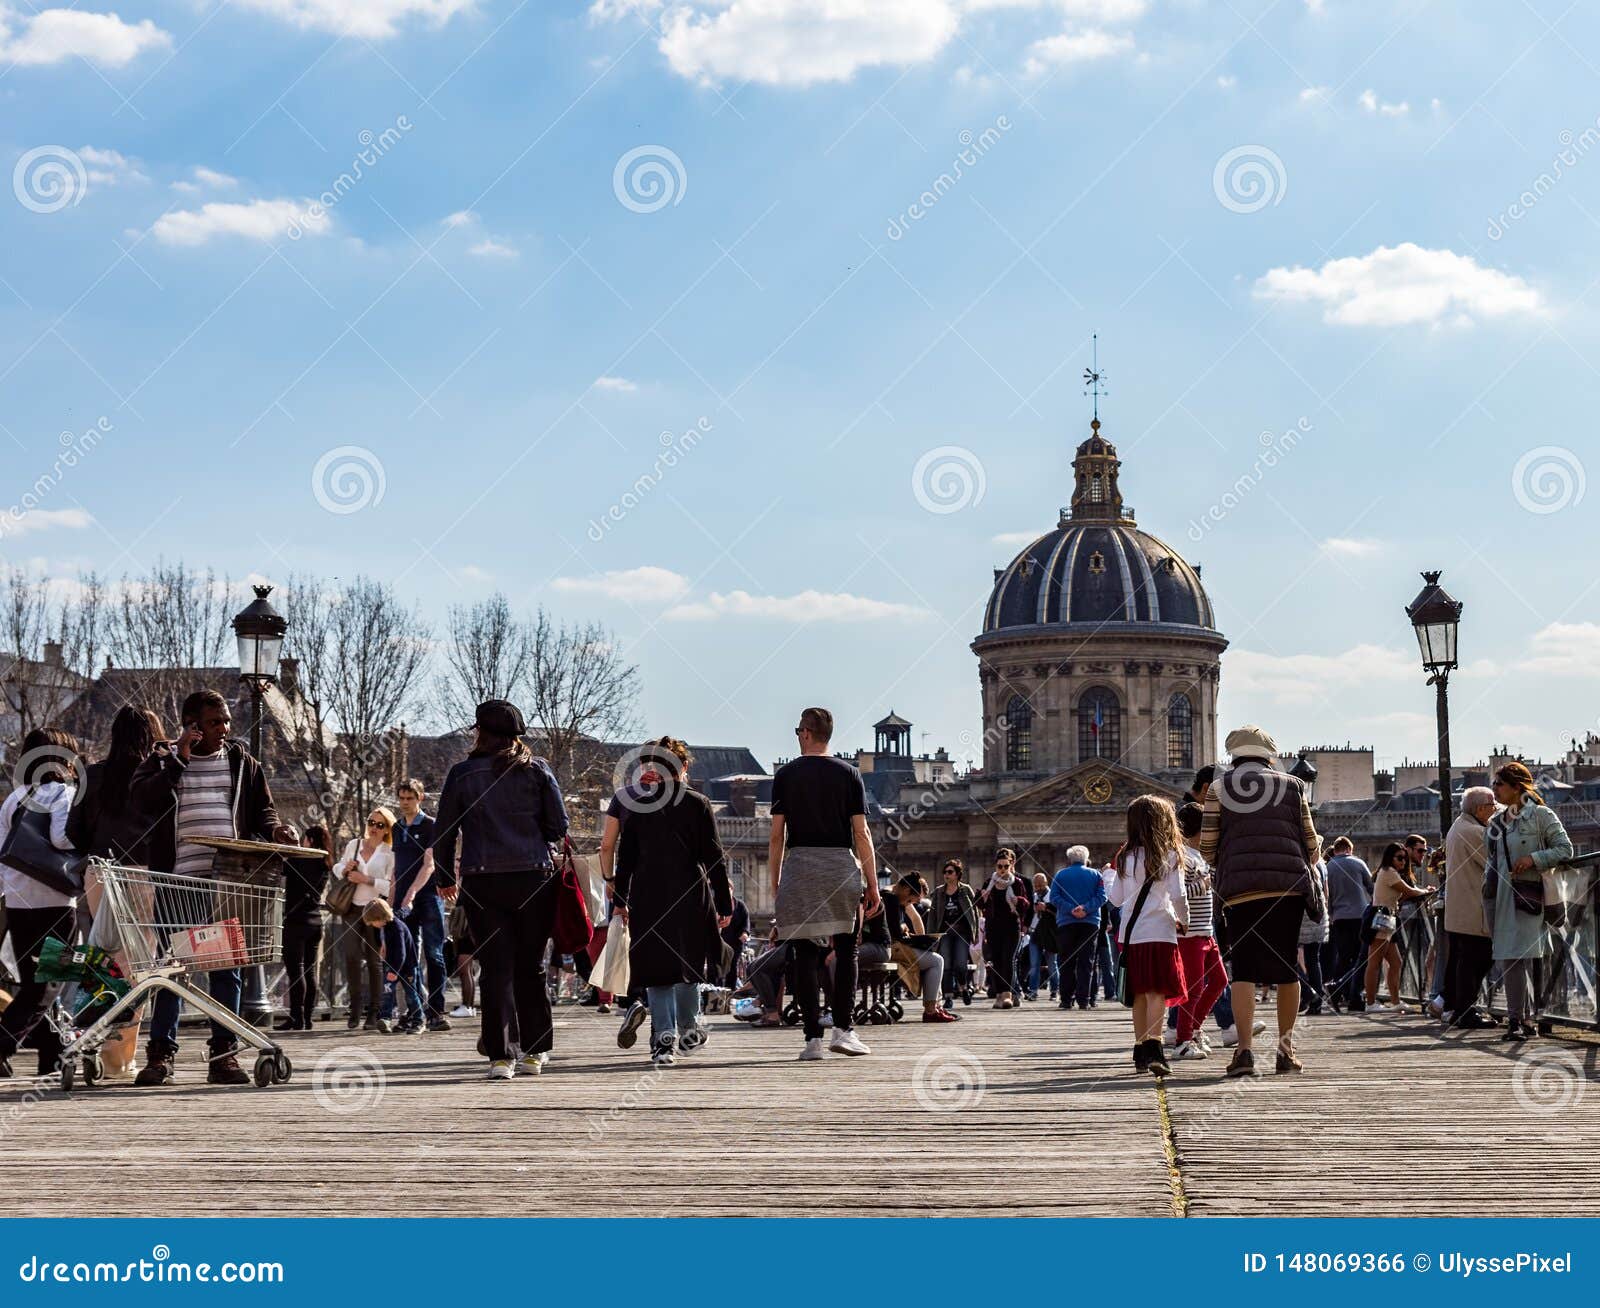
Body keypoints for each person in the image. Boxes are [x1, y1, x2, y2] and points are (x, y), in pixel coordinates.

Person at [130, 690, 294, 1088]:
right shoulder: (164, 759)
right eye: (214, 721)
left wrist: (276, 829)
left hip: (227, 881)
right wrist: (179, 758)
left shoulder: (242, 763)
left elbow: (262, 810)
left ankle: (223, 1056)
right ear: (192, 725)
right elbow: (141, 800)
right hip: (177, 879)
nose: (224, 728)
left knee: (226, 970)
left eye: (225, 721)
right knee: (173, 969)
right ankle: (161, 1056)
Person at [432, 699, 570, 1080]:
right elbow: (558, 826)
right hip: (533, 877)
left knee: (495, 969)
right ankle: (535, 1051)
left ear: (480, 731)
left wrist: (446, 877)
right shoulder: (538, 771)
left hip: (482, 879)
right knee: (532, 967)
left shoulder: (462, 774)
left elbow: (443, 830)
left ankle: (500, 1056)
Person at [1200, 725, 1322, 1078]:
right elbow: (1311, 845)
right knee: (1286, 968)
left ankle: (1244, 1052)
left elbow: (1208, 845)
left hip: (1241, 890)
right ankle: (1285, 1052)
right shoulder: (1293, 786)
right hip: (1287, 887)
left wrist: (1228, 858)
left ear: (1233, 756)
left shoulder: (1220, 788)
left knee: (1245, 970)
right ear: (1270, 755)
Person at [612, 738, 732, 1067]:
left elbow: (627, 859)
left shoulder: (638, 805)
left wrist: (621, 900)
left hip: (648, 894)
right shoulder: (698, 803)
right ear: (684, 768)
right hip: (689, 894)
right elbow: (714, 858)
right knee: (687, 966)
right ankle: (690, 1028)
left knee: (656, 970)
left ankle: (663, 1041)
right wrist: (724, 902)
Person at [769, 706, 879, 1061]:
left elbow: (776, 837)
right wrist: (873, 884)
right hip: (838, 864)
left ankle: (812, 1039)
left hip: (800, 864)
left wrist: (777, 883)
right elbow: (861, 832)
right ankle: (844, 1030)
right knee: (846, 949)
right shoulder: (849, 774)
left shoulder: (786, 775)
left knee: (804, 954)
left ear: (805, 733)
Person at [0, 727, 83, 1079]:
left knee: (36, 982)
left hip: (19, 903)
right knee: (48, 984)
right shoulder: (62, 793)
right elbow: (62, 839)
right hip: (56, 901)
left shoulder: (14, 798)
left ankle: (51, 1056)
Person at [1485, 761, 1573, 1042]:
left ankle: (1520, 1019)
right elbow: (1492, 863)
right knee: (1511, 958)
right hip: (1500, 897)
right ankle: (1521, 1019)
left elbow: (1565, 848)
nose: (1494, 789)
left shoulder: (1541, 816)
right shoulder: (1495, 823)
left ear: (1515, 787)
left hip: (1528, 895)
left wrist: (1533, 859)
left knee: (1520, 957)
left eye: (1498, 784)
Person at [1106, 796, 1190, 1077]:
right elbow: (1178, 896)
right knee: (1157, 992)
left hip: (1130, 935)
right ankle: (1155, 1047)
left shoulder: (1125, 857)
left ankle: (1140, 1048)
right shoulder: (1170, 854)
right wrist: (1184, 921)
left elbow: (1116, 900)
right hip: (1160, 931)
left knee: (1139, 992)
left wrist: (1109, 877)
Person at [67, 705, 164, 865]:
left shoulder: (92, 774)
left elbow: (73, 828)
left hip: (101, 869)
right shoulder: (162, 774)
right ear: (155, 737)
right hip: (147, 870)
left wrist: (95, 851)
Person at [393, 779, 449, 1032]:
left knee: (433, 954)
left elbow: (429, 864)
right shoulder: (395, 827)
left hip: (427, 896)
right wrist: (392, 900)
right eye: (402, 798)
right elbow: (396, 868)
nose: (405, 803)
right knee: (407, 956)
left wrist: (413, 893)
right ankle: (415, 1011)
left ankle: (436, 1010)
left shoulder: (431, 826)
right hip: (403, 899)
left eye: (410, 798)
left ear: (420, 798)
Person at [1441, 787, 1497, 1030]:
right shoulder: (1473, 831)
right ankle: (1465, 1010)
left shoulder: (1459, 826)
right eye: (1492, 806)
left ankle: (1455, 1007)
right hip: (1472, 908)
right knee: (1477, 959)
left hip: (1460, 909)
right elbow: (1495, 861)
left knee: (1464, 959)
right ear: (1480, 808)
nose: (1495, 810)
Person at [335, 808, 396, 1032]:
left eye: (380, 825)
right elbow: (337, 867)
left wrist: (367, 879)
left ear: (387, 829)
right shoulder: (354, 845)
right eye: (372, 822)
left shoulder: (390, 852)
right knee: (351, 957)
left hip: (374, 911)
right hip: (351, 908)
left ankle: (374, 1011)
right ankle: (355, 1008)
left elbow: (390, 885)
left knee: (374, 962)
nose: (374, 828)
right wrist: (345, 869)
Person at [1174, 803, 1226, 1059]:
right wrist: (1205, 884)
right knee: (1193, 989)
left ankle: (1194, 1027)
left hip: (1205, 931)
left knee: (1219, 981)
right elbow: (1180, 894)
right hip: (1190, 934)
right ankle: (1182, 1041)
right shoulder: (1182, 856)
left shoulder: (1197, 855)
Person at [1362, 842, 1436, 1011]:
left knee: (1396, 962)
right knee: (1374, 962)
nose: (1403, 861)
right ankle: (1371, 1003)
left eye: (1404, 858)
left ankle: (1395, 1002)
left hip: (1389, 917)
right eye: (1400, 858)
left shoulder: (1390, 872)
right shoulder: (1389, 872)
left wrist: (1422, 891)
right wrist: (1427, 892)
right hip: (1382, 917)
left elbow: (1402, 895)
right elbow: (1409, 891)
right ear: (1390, 858)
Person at [275, 824, 331, 1031]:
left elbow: (279, 872)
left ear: (309, 840)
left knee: (295, 971)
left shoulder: (296, 862)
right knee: (310, 971)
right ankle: (307, 1018)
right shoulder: (325, 864)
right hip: (316, 922)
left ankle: (295, 1017)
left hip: (295, 921)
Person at [887, 873, 958, 1022]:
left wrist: (923, 940)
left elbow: (915, 918)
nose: (911, 903)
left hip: (894, 946)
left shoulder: (896, 896)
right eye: (913, 900)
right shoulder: (892, 899)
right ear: (906, 891)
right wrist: (912, 935)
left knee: (932, 958)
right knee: (936, 961)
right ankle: (931, 1010)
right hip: (891, 948)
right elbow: (896, 932)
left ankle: (935, 1006)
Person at [1048, 846, 1106, 1010]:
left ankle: (1066, 999)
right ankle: (1084, 999)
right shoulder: (1096, 875)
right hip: (1090, 922)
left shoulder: (1060, 875)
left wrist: (1070, 909)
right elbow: (1102, 897)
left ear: (1069, 860)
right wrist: (1085, 909)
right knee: (1086, 962)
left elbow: (1054, 898)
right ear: (1086, 859)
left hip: (1067, 922)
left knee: (1066, 961)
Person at [1322, 837, 1373, 1012]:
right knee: (1361, 958)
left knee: (1344, 958)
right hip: (1360, 916)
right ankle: (1353, 995)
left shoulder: (1328, 867)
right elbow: (1371, 886)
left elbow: (1326, 896)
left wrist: (1330, 914)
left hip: (1339, 918)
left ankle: (1337, 990)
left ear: (1335, 850)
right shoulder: (1358, 863)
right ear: (1349, 849)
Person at [977, 849, 1029, 1009]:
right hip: (993, 926)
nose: (1002, 869)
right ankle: (999, 994)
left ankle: (1008, 994)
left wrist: (1018, 901)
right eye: (1000, 866)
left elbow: (1026, 905)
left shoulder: (1017, 883)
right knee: (996, 960)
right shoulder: (989, 883)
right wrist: (981, 897)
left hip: (1012, 926)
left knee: (1008, 959)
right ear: (995, 866)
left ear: (1011, 865)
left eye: (1006, 866)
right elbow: (980, 905)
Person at [929, 859, 978, 1005]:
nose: (946, 875)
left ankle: (963, 988)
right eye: (945, 872)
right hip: (944, 934)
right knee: (947, 965)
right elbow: (932, 916)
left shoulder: (965, 890)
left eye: (950, 872)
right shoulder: (939, 892)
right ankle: (948, 997)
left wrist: (975, 934)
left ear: (957, 874)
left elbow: (974, 913)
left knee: (961, 965)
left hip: (962, 933)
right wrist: (930, 936)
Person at [1297, 855, 1330, 1015]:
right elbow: (1326, 892)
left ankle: (1308, 992)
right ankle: (1315, 999)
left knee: (1286, 959)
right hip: (1318, 916)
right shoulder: (1320, 866)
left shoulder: (1298, 865)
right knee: (1313, 959)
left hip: (1302, 917)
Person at [1025, 870, 1057, 1001]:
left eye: (1040, 885)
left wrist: (1046, 908)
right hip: (1034, 933)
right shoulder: (1033, 897)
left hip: (1049, 934)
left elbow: (1058, 913)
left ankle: (1054, 990)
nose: (1038, 888)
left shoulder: (1053, 896)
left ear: (1046, 883)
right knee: (1034, 965)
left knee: (1052, 965)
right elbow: (1028, 915)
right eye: (1036, 885)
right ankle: (1033, 991)